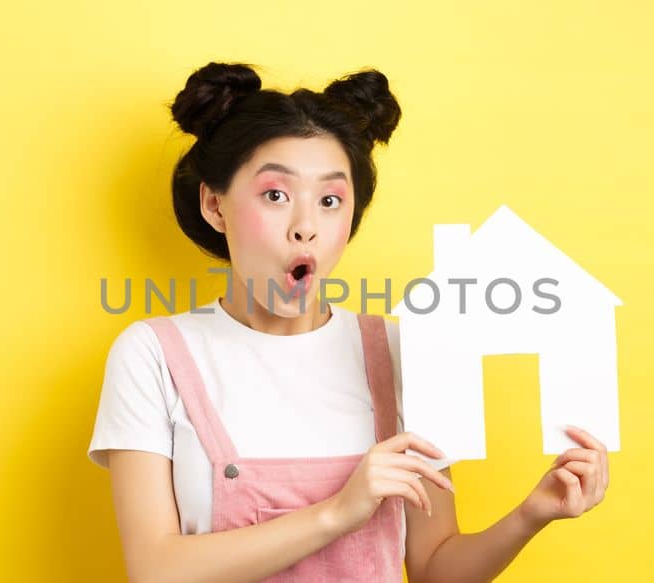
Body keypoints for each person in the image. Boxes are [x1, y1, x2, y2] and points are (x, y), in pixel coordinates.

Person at [87, 61, 610, 582]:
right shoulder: (154, 355)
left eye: (331, 200)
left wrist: (531, 516)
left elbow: (434, 568)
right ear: (215, 204)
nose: (306, 227)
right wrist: (339, 511)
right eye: (276, 195)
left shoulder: (404, 350)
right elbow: (156, 571)